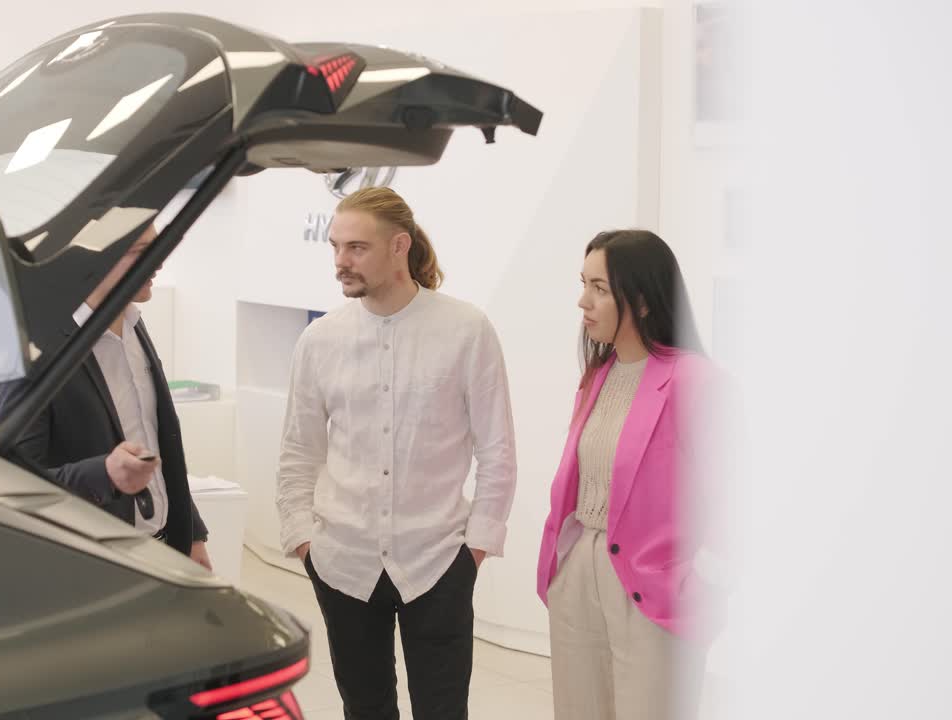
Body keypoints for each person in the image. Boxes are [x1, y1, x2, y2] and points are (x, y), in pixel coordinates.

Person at [277, 186, 517, 720]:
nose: (341, 261)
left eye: (357, 248)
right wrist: (302, 539)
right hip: (341, 561)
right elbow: (298, 450)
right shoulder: (320, 341)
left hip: (438, 559)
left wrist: (474, 548)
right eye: (336, 247)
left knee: (442, 710)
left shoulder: (465, 330)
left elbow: (497, 450)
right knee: (364, 708)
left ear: (399, 246)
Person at [536, 229, 717, 720]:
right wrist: (561, 566)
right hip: (578, 572)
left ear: (638, 299)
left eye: (598, 287)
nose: (583, 301)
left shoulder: (695, 380)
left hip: (651, 584)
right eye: (583, 283)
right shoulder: (599, 373)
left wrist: (704, 579)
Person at [0, 224, 210, 566]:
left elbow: (154, 440)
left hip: (164, 547)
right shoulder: (32, 348)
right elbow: (15, 480)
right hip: (90, 564)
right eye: (141, 251)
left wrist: (193, 533)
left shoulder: (133, 323)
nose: (159, 262)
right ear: (89, 258)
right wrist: (105, 474)